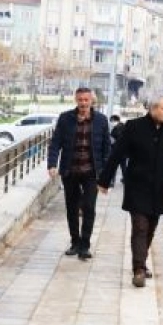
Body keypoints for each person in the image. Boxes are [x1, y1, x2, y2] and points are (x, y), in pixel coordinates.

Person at [99, 95, 163, 288]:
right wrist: (104, 180)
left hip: (161, 189)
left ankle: (141, 262)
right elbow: (117, 154)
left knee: (151, 227)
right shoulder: (134, 127)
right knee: (140, 227)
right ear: (152, 109)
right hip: (137, 186)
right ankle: (139, 270)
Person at [47, 87, 111, 261]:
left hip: (92, 172)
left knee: (89, 208)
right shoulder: (65, 118)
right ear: (76, 100)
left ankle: (85, 245)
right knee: (72, 208)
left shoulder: (101, 121)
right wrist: (52, 164)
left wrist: (107, 177)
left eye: (86, 100)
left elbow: (107, 149)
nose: (83, 103)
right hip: (70, 170)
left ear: (91, 101)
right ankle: (75, 242)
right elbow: (55, 143)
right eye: (80, 100)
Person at [109, 114, 127, 181]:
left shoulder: (117, 128)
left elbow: (117, 139)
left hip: (117, 151)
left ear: (115, 120)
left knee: (114, 166)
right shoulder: (124, 126)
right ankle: (125, 179)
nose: (111, 123)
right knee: (123, 166)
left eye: (112, 121)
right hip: (124, 151)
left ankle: (111, 181)